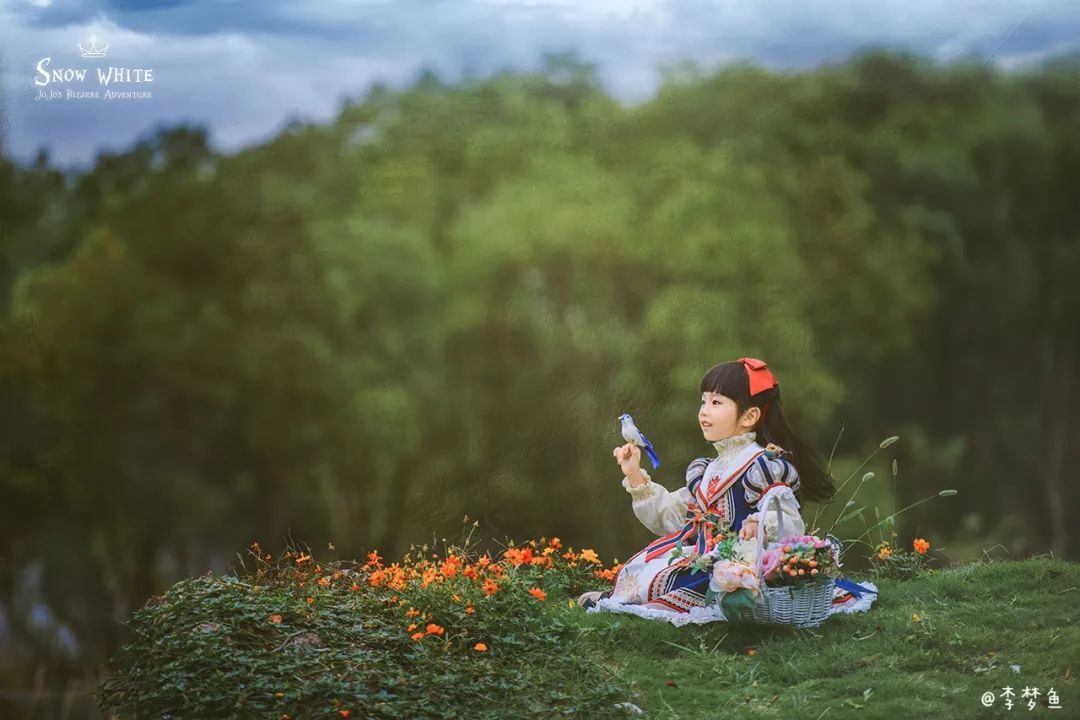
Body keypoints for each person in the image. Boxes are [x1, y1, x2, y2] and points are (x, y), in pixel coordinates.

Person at [578, 358, 847, 620]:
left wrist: (759, 525)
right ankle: (624, 600)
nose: (704, 411)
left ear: (750, 416)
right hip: (704, 560)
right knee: (650, 567)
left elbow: (790, 523)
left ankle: (641, 605)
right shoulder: (707, 470)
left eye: (716, 403)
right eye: (703, 401)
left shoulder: (762, 465)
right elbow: (672, 518)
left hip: (739, 566)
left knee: (681, 581)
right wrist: (635, 474)